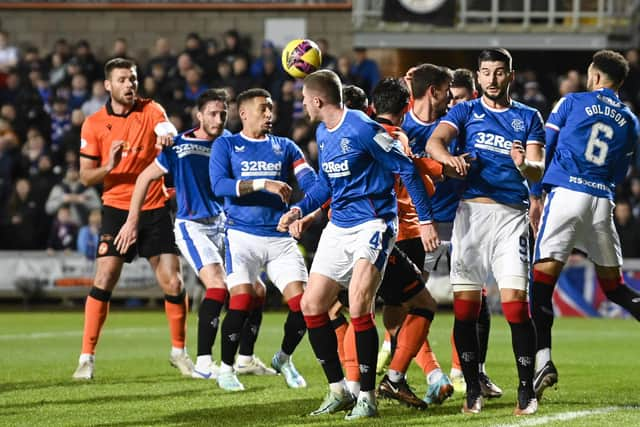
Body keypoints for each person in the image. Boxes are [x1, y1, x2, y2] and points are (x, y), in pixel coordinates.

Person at [278, 69, 438, 420]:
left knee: (359, 304)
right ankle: (338, 390)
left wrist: (425, 221)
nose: (302, 104)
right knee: (312, 304)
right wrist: (298, 209)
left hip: (374, 225)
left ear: (317, 100)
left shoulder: (365, 129)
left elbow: (408, 170)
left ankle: (367, 397)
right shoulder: (323, 132)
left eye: (304, 99)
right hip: (340, 226)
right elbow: (325, 185)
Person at [426, 48, 545, 415]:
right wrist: (447, 159)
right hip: (471, 216)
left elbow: (538, 170)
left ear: (510, 75)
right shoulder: (465, 111)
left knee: (514, 307)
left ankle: (527, 390)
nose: (492, 80)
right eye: (485, 73)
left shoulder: (528, 117)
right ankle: (472, 388)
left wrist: (524, 165)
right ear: (478, 76)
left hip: (511, 218)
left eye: (499, 72)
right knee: (465, 310)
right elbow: (434, 142)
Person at [530, 50, 640, 400]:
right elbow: (621, 171)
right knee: (616, 289)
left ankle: (544, 360)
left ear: (593, 77)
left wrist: (536, 195)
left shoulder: (571, 102)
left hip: (566, 194)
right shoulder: (631, 120)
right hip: (602, 201)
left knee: (541, 284)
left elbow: (544, 147)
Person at [73, 58, 191, 380]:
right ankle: (86, 358)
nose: (130, 85)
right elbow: (85, 178)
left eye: (133, 79)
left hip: (153, 206)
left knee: (173, 281)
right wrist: (109, 166)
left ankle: (179, 353)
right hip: (115, 207)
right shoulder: (94, 124)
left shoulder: (152, 110)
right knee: (104, 277)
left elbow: (165, 127)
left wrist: (167, 134)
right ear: (108, 85)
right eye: (123, 80)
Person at [114, 88, 231, 381]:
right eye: (213, 114)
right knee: (216, 286)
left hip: (225, 224)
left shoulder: (230, 144)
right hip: (192, 225)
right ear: (199, 115)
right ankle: (204, 363)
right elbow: (143, 178)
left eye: (222, 114)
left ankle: (244, 358)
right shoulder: (179, 145)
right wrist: (131, 221)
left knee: (250, 291)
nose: (218, 119)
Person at [209, 88, 317, 391]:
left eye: (271, 108)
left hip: (279, 238)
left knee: (305, 305)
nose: (269, 114)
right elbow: (219, 185)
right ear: (243, 114)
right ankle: (227, 369)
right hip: (241, 236)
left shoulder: (286, 147)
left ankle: (283, 358)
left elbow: (309, 181)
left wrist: (312, 202)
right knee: (242, 299)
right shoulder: (226, 145)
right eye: (262, 109)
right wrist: (263, 183)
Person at [406, 65, 502, 399]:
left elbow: (472, 165)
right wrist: (439, 166)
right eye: (450, 95)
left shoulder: (466, 125)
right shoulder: (413, 126)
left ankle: (467, 370)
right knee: (411, 304)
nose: (452, 103)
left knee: (476, 301)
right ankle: (426, 372)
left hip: (462, 221)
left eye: (459, 97)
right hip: (419, 225)